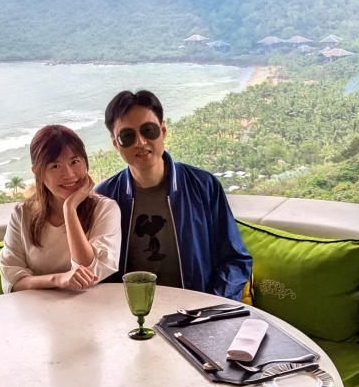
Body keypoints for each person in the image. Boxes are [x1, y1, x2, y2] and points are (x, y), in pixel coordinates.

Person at [95, 90, 252, 301]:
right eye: (127, 136)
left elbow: (235, 259)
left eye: (148, 130)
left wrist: (213, 305)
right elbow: (95, 268)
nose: (140, 142)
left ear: (163, 130)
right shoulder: (105, 197)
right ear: (115, 143)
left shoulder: (203, 186)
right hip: (129, 313)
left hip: (195, 311)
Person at [0, 125, 122, 292]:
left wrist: (70, 209)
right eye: (55, 166)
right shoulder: (22, 214)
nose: (69, 174)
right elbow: (13, 281)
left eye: (74, 162)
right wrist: (57, 279)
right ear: (38, 173)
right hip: (34, 306)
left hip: (89, 305)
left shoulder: (105, 209)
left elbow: (89, 272)